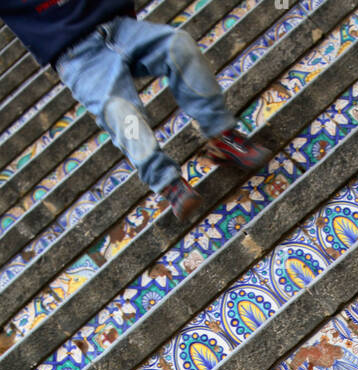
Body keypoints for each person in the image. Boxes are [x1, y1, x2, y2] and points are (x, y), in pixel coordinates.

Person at [0, 0, 269, 221]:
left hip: (119, 28)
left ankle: (221, 135)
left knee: (178, 46)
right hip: (76, 56)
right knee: (118, 110)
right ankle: (169, 184)